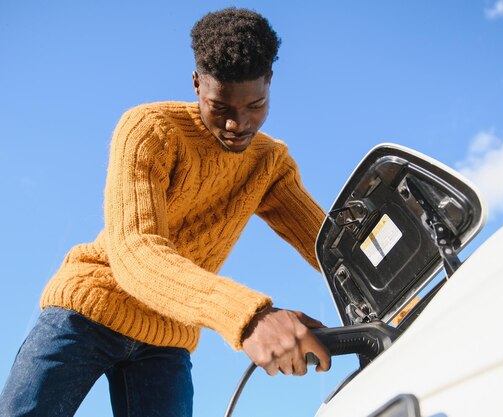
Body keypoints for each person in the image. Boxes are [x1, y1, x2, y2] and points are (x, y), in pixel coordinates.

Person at [0, 7, 330, 417]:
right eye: (221, 106)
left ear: (269, 84)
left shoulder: (270, 164)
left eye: (255, 105)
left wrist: (402, 303)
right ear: (196, 84)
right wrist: (249, 316)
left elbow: (331, 247)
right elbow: (136, 251)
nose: (237, 124)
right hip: (88, 308)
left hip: (168, 335)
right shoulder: (150, 130)